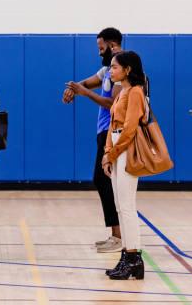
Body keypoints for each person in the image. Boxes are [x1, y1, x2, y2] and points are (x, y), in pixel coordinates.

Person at [63, 27, 123, 253]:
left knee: (102, 178)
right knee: (103, 180)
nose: (99, 53)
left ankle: (119, 237)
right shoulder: (107, 69)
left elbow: (113, 104)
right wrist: (73, 88)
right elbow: (87, 83)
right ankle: (116, 235)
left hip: (113, 132)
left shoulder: (121, 70)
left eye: (101, 48)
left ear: (112, 45)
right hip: (103, 131)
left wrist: (84, 93)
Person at [101, 51, 147, 280]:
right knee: (120, 206)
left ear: (127, 69)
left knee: (127, 207)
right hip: (117, 149)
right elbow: (112, 125)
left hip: (127, 150)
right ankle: (127, 256)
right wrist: (107, 152)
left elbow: (129, 130)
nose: (110, 71)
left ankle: (134, 257)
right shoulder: (122, 92)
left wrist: (114, 153)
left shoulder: (136, 93)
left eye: (114, 67)